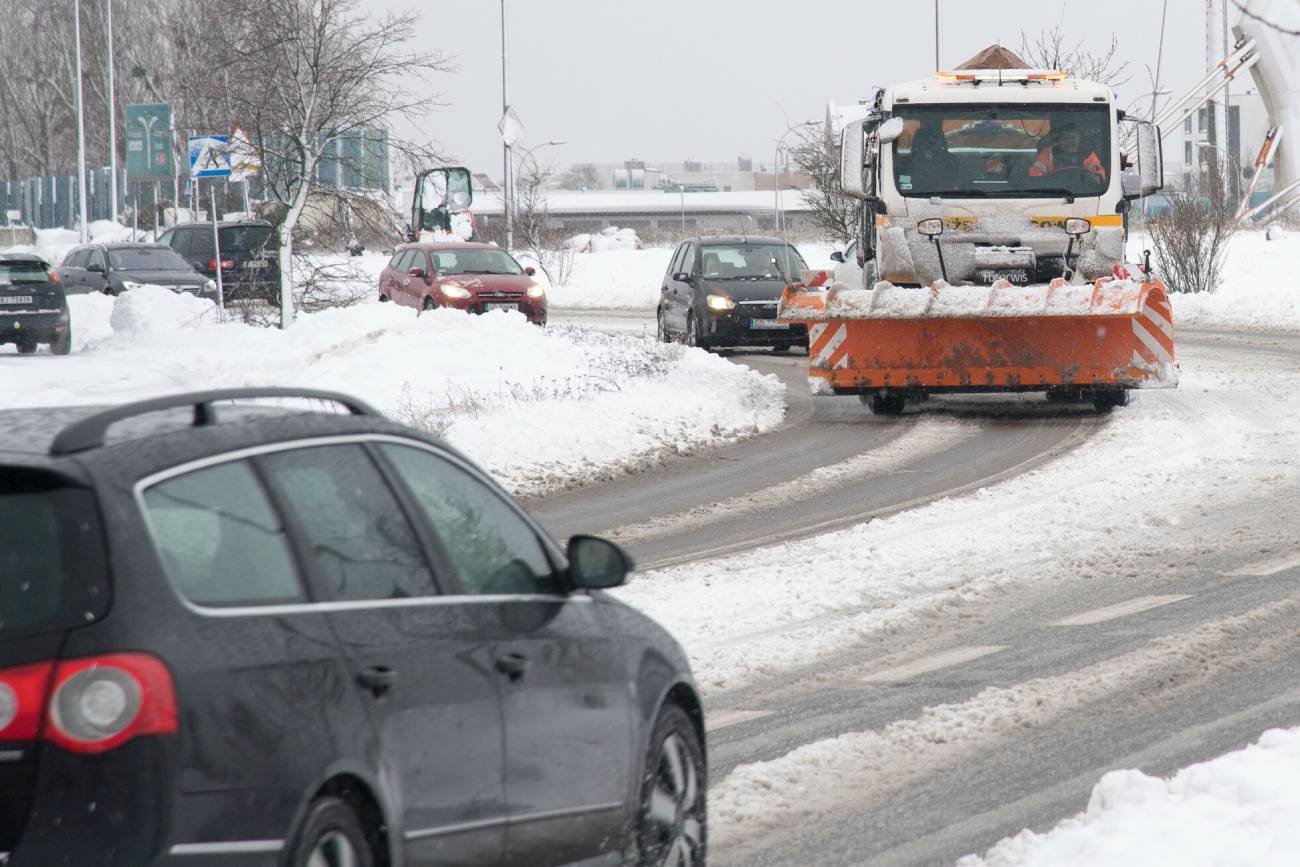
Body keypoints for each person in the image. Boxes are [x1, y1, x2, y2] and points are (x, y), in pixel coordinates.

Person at [1029, 125, 1107, 181]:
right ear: (1059, 141)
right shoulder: (1048, 153)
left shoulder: (1087, 154)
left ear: (1079, 140)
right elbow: (1035, 177)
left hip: (1082, 193)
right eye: (1065, 138)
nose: (1069, 141)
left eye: (1073, 138)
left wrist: (1095, 177)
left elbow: (1099, 176)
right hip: (1053, 192)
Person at [909, 123, 958, 191]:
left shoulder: (951, 160)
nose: (930, 144)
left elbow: (952, 184)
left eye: (935, 140)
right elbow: (906, 182)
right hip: (911, 198)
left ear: (942, 141)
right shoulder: (908, 161)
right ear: (918, 142)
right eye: (925, 139)